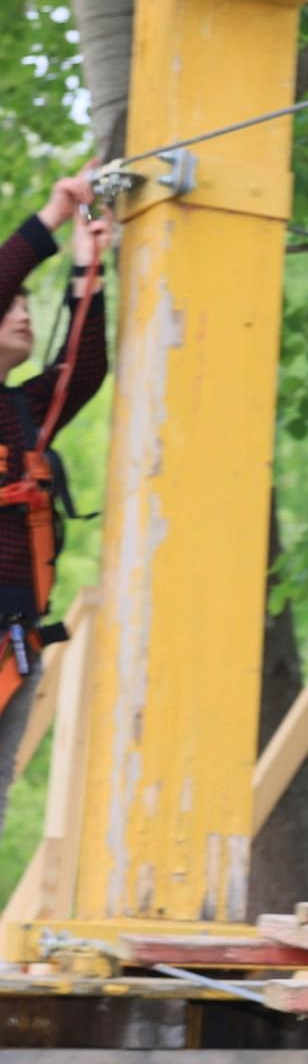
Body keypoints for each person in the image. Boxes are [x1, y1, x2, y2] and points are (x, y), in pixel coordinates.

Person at [0, 166, 110, 819]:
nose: (22, 311)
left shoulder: (24, 412)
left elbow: (84, 368)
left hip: (14, 643)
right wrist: (53, 214)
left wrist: (85, 271)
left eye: (25, 306)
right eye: (11, 305)